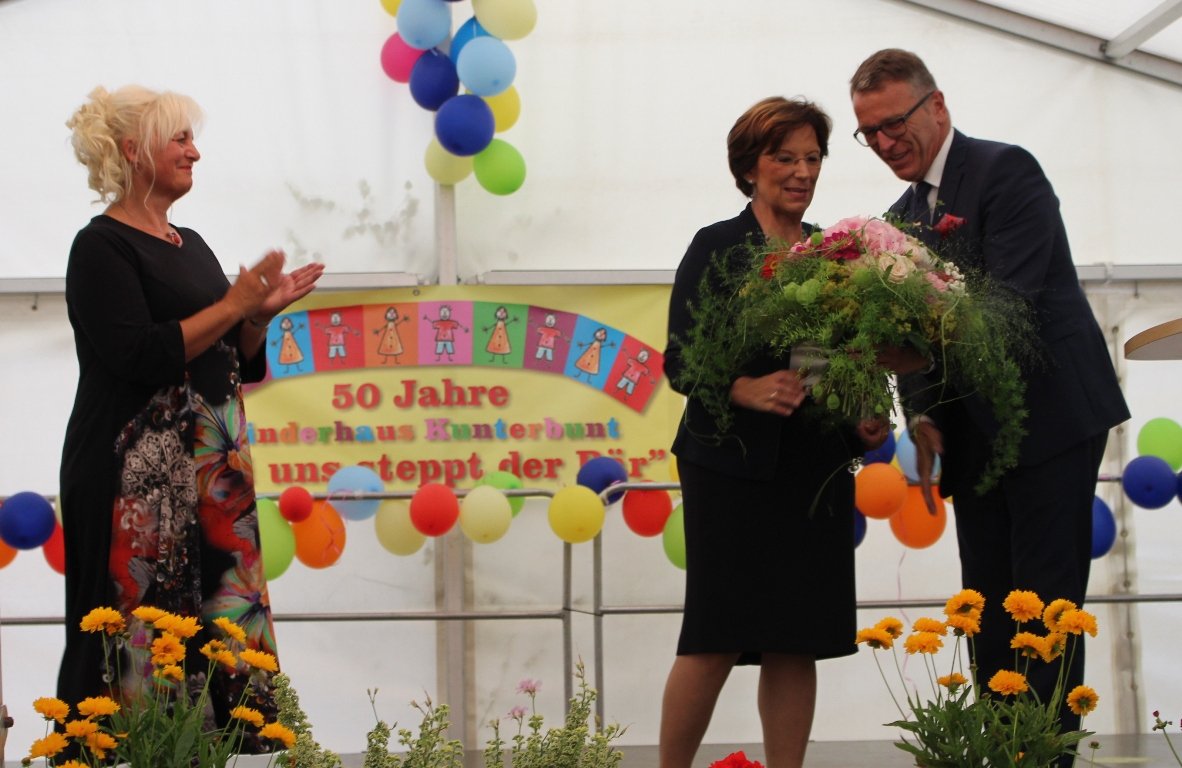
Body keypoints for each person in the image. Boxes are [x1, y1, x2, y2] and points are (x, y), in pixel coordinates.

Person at [849, 49, 1130, 761]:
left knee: (1046, 602)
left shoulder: (1007, 172)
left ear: (936, 105)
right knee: (989, 609)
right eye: (869, 133)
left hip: (1051, 422)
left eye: (894, 122)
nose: (885, 142)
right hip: (974, 438)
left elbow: (1008, 305)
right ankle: (1002, 752)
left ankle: (1048, 755)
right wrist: (920, 414)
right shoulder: (897, 221)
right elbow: (908, 340)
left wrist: (919, 354)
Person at [58, 85, 324, 737]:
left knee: (222, 621)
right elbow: (140, 355)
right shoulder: (101, 248)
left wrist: (254, 321)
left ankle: (218, 747)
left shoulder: (192, 242)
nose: (194, 151)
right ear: (132, 149)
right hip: (135, 483)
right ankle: (122, 746)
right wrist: (233, 305)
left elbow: (230, 358)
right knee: (135, 629)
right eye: (179, 138)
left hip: (210, 475)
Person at [660, 97, 890, 768]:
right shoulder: (717, 246)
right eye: (783, 158)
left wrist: (865, 419)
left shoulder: (837, 255)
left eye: (812, 158)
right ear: (749, 168)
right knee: (715, 635)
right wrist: (743, 388)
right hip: (727, 467)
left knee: (798, 636)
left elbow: (843, 365)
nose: (800, 171)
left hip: (813, 470)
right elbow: (680, 358)